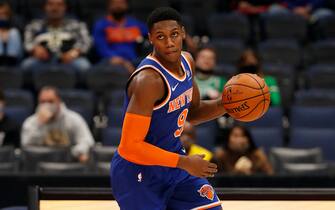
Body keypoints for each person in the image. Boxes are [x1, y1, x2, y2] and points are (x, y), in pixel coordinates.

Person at [110, 7, 227, 210]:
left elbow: (193, 112)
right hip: (138, 172)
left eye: (173, 34)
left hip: (173, 162)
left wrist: (227, 105)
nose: (169, 42)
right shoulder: (148, 80)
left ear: (182, 32)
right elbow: (130, 147)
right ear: (151, 39)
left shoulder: (188, 61)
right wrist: (184, 162)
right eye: (161, 37)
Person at [21, 86, 94, 163]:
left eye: (50, 101)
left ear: (59, 101)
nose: (46, 105)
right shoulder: (31, 122)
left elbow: (88, 142)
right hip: (40, 163)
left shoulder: (74, 119)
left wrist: (72, 153)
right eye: (42, 102)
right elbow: (26, 146)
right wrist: (41, 124)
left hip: (68, 162)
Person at [21, 0, 91, 72]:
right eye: (50, 4)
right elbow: (27, 42)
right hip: (41, 60)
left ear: (65, 7)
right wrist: (34, 49)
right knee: (26, 65)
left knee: (84, 66)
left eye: (59, 5)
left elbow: (86, 42)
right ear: (44, 7)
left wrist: (75, 52)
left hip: (70, 60)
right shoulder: (34, 25)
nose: (55, 8)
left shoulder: (77, 25)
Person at [93, 0, 148, 73]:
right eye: (115, 3)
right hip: (111, 60)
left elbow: (151, 34)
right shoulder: (101, 25)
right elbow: (102, 48)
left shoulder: (135, 24)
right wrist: (123, 62)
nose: (118, 6)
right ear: (109, 6)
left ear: (127, 6)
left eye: (121, 3)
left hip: (134, 59)